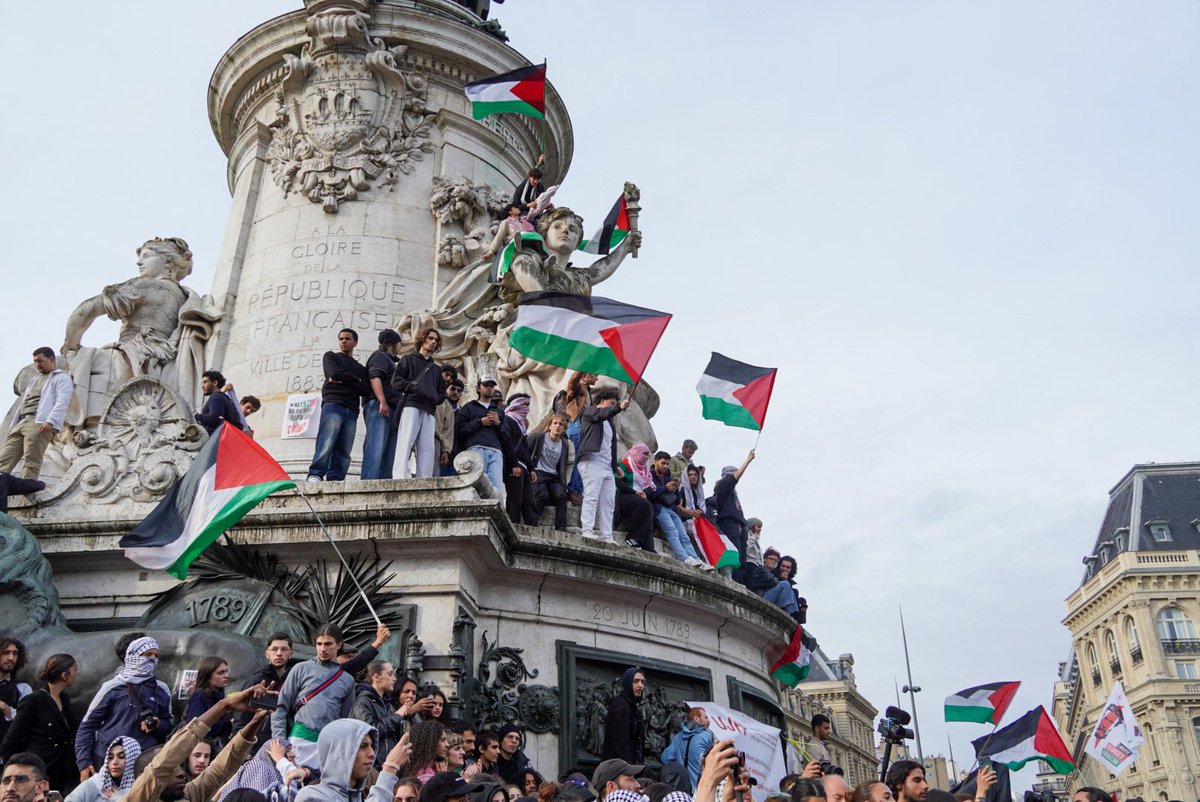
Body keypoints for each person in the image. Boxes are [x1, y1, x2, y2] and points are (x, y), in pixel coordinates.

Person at [124, 684, 270, 802]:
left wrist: (255, 721)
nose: (181, 773)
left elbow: (220, 770)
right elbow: (165, 762)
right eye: (171, 770)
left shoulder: (188, 797)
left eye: (180, 766)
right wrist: (223, 706)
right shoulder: (136, 799)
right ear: (142, 781)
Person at [271, 623, 390, 767]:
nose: (322, 649)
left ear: (339, 645)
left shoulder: (347, 680)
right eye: (319, 644)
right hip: (296, 744)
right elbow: (280, 707)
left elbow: (343, 720)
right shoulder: (300, 669)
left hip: (328, 749)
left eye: (328, 644)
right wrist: (280, 742)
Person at [75, 637, 173, 780]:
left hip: (144, 763)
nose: (153, 659)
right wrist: (84, 763)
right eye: (148, 654)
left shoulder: (161, 689)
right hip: (108, 762)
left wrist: (158, 724)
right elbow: (87, 726)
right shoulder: (112, 687)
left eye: (156, 655)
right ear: (133, 655)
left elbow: (169, 725)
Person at [0, 653, 79, 792]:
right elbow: (10, 743)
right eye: (74, 670)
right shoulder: (34, 700)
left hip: (59, 774)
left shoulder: (64, 699)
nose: (76, 674)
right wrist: (15, 776)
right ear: (64, 675)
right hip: (36, 774)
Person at [0, 347, 72, 480]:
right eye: (35, 361)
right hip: (22, 421)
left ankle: (27, 490)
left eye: (40, 361)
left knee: (32, 460)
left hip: (39, 422)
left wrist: (50, 421)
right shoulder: (34, 380)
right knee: (5, 457)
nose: (37, 365)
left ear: (51, 359)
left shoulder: (61, 377)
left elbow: (63, 400)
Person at [307, 329, 368, 483]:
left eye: (347, 339)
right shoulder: (331, 356)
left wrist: (343, 379)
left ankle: (336, 477)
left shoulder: (360, 368)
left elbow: (365, 388)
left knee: (345, 447)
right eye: (341, 338)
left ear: (355, 342)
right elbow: (333, 372)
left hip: (352, 409)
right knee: (326, 440)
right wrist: (355, 381)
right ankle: (316, 473)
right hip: (333, 403)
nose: (343, 341)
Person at [392, 329, 446, 479]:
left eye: (436, 340)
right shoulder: (408, 359)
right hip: (411, 406)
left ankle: (424, 480)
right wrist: (409, 387)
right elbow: (396, 381)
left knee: (427, 447)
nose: (433, 342)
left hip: (429, 410)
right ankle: (399, 477)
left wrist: (434, 397)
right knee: (405, 441)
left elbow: (442, 393)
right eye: (430, 338)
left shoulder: (436, 369)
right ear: (422, 339)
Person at [577, 389, 630, 542]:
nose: (613, 406)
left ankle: (607, 535)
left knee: (608, 502)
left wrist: (614, 466)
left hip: (606, 467)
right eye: (611, 403)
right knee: (591, 496)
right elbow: (602, 414)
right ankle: (587, 530)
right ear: (602, 401)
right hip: (591, 461)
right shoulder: (590, 412)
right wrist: (619, 407)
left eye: (614, 404)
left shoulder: (610, 424)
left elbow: (609, 447)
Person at [233, 633, 298, 751]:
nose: (279, 653)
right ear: (267, 653)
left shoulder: (292, 680)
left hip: (284, 744)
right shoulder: (257, 681)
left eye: (284, 649)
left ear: (291, 653)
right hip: (257, 746)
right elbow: (241, 719)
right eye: (274, 649)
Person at [648, 451, 705, 567]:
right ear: (655, 462)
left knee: (684, 536)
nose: (665, 466)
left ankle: (696, 559)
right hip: (659, 509)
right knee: (672, 532)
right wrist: (665, 488)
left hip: (672, 509)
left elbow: (678, 500)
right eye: (663, 463)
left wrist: (676, 488)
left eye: (667, 464)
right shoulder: (649, 475)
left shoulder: (668, 477)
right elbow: (649, 495)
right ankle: (685, 558)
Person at [349, 661, 408, 768]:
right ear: (376, 677)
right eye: (390, 674)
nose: (394, 679)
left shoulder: (387, 704)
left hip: (388, 765)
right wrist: (398, 715)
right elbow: (372, 731)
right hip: (371, 767)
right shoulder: (363, 702)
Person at [456, 376, 506, 500]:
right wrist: (480, 422)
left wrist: (498, 423)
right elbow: (460, 430)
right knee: (475, 486)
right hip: (475, 449)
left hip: (496, 451)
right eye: (486, 385)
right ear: (478, 388)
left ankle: (497, 518)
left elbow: (506, 437)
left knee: (497, 488)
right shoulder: (469, 407)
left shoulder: (499, 412)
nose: (489, 388)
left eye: (492, 386)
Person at [362, 329, 403, 481]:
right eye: (400, 344)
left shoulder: (390, 360)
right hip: (380, 406)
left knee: (388, 451)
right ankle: (368, 483)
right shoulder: (380, 356)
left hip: (391, 408)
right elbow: (375, 377)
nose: (400, 347)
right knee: (376, 446)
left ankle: (383, 483)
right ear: (394, 344)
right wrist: (382, 401)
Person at [552, 372, 596, 501]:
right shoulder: (578, 387)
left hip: (584, 427)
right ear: (587, 375)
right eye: (595, 375)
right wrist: (584, 365)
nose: (597, 378)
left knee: (583, 459)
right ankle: (574, 490)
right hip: (575, 424)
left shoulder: (588, 392)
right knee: (578, 458)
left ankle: (577, 489)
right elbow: (573, 379)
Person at [526, 414, 573, 530]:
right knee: (542, 495)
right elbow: (524, 451)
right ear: (550, 426)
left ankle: (561, 528)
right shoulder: (538, 437)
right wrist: (529, 470)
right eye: (555, 423)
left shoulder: (564, 445)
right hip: (538, 472)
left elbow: (561, 466)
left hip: (553, 476)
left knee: (562, 496)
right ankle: (531, 524)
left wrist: (563, 484)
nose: (558, 426)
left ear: (564, 429)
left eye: (561, 424)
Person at [712, 451, 755, 572]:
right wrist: (747, 461)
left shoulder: (733, 494)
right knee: (734, 557)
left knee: (741, 560)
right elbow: (734, 479)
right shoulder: (723, 486)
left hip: (739, 528)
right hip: (729, 526)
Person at [499, 394, 537, 525]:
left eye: (528, 405)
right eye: (524, 405)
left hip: (524, 467)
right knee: (515, 499)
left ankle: (533, 528)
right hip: (514, 466)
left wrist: (531, 468)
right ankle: (512, 527)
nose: (526, 409)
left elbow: (525, 450)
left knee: (529, 501)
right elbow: (507, 444)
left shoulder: (521, 425)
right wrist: (514, 464)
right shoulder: (508, 420)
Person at [64, 737, 139, 802]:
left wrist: (119, 798)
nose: (114, 762)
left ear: (133, 759)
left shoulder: (143, 784)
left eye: (121, 756)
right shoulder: (98, 781)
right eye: (110, 757)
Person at [183, 658, 233, 748]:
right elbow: (196, 729)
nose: (226, 676)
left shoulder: (219, 696)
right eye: (220, 673)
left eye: (226, 671)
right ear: (208, 676)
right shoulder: (199, 696)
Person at [615, 445, 656, 553]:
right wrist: (635, 492)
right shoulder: (624, 463)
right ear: (636, 452)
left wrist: (643, 493)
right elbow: (618, 482)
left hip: (640, 496)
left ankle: (648, 545)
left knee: (649, 507)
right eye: (644, 453)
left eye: (648, 454)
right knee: (644, 505)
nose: (646, 457)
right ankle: (632, 538)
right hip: (624, 494)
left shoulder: (646, 470)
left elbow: (651, 486)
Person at [660, 708, 711, 792]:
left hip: (685, 791)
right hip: (704, 791)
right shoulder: (707, 736)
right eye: (706, 718)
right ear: (696, 719)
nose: (709, 721)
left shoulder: (677, 737)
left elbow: (665, 758)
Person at [601, 668, 645, 763]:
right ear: (628, 683)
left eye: (642, 682)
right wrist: (629, 770)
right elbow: (621, 743)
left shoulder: (631, 707)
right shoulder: (621, 706)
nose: (640, 685)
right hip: (621, 771)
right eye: (636, 681)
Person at [0, 638, 32, 746]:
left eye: (15, 653)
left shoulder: (23, 688)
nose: (11, 658)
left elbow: (26, 722)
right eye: (6, 653)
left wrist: (5, 708)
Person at [435, 379, 461, 477]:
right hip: (438, 451)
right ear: (446, 390)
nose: (455, 392)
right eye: (453, 389)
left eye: (459, 391)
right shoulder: (438, 406)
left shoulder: (463, 412)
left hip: (456, 457)